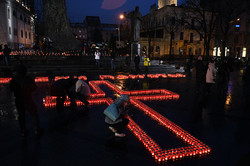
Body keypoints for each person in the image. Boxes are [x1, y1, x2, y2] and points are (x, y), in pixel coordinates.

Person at [10, 65, 43, 137]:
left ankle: (23, 130)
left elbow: (11, 89)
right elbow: (34, 88)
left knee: (21, 115)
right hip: (28, 98)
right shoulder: (28, 79)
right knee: (34, 113)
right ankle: (37, 129)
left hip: (19, 99)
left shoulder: (14, 79)